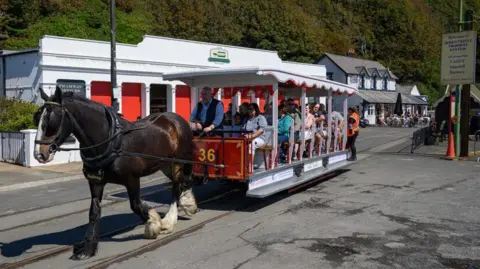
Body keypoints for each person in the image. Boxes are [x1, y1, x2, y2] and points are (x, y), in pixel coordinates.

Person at [243, 103, 268, 169]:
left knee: (252, 144)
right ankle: (241, 165)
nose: (250, 110)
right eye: (248, 109)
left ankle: (250, 166)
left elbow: (261, 130)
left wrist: (252, 136)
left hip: (260, 138)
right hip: (248, 138)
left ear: (256, 109)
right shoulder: (246, 119)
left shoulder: (260, 117)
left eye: (251, 109)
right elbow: (243, 129)